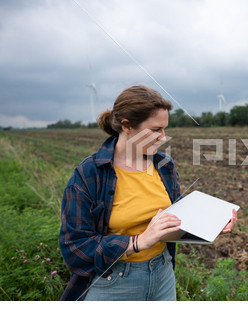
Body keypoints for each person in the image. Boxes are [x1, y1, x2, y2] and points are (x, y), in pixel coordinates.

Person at [59, 85, 237, 301]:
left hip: (163, 275)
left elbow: (175, 218)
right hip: (112, 283)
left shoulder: (164, 165)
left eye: (165, 129)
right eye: (155, 130)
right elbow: (75, 249)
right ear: (127, 126)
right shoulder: (89, 174)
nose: (163, 138)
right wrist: (137, 242)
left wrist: (210, 225)